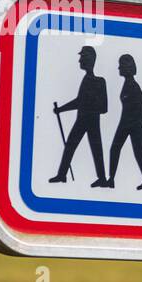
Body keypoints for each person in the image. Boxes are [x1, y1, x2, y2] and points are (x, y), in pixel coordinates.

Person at [50, 46, 108, 186]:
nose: (79, 60)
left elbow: (103, 107)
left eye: (82, 57)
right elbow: (79, 101)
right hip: (83, 119)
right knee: (71, 146)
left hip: (90, 120)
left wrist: (87, 106)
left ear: (89, 60)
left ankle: (102, 179)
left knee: (96, 149)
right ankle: (62, 175)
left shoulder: (99, 81)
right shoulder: (87, 80)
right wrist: (61, 109)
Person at [102, 53, 142, 190]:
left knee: (135, 151)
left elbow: (141, 107)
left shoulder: (133, 86)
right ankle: (111, 179)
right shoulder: (128, 84)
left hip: (131, 124)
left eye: (121, 65)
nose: (118, 68)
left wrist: (132, 123)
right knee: (122, 150)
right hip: (127, 123)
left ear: (127, 68)